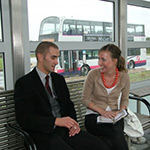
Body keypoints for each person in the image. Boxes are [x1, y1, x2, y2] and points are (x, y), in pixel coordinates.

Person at [14, 41, 110, 150]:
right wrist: (55, 121)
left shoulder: (59, 79)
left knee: (101, 147)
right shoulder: (25, 83)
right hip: (42, 134)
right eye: (53, 58)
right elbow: (24, 118)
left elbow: (69, 105)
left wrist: (73, 124)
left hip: (65, 130)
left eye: (57, 58)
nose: (56, 62)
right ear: (40, 57)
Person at [82, 44, 130, 150]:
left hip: (114, 117)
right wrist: (102, 112)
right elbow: (85, 99)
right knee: (115, 132)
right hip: (94, 117)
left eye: (103, 59)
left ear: (115, 61)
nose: (99, 63)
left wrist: (121, 110)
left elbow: (125, 99)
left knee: (111, 138)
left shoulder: (124, 76)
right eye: (99, 59)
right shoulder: (93, 74)